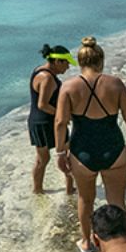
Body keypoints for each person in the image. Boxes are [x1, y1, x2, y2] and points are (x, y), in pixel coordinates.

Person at [55, 37, 126, 252]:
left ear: (79, 62)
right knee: (117, 201)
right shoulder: (115, 84)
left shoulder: (68, 87)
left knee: (85, 200)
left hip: (82, 152)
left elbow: (60, 123)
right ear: (101, 60)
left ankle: (87, 242)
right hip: (114, 149)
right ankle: (123, 243)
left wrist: (60, 152)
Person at [29, 44, 77, 195]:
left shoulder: (38, 71)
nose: (68, 67)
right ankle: (70, 190)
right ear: (57, 61)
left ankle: (37, 190)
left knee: (42, 159)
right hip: (47, 122)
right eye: (66, 63)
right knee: (68, 154)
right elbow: (43, 104)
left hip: (36, 122)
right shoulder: (48, 78)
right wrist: (63, 115)